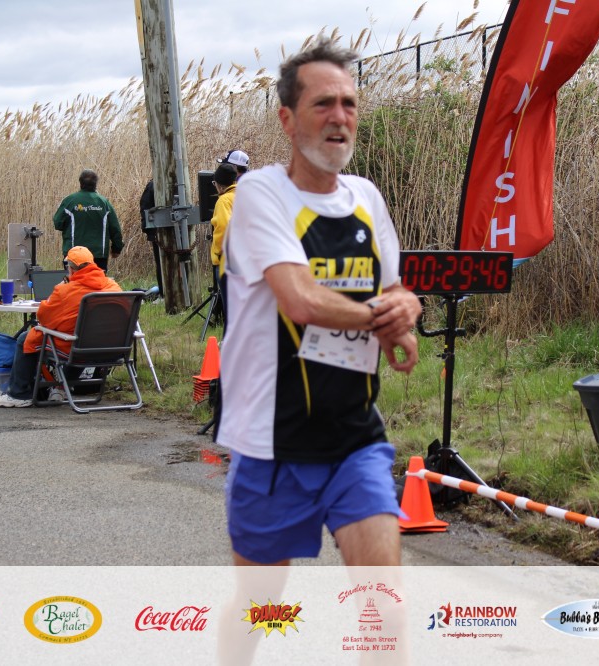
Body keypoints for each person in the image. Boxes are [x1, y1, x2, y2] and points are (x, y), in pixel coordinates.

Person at [215, 37, 422, 570]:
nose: (339, 117)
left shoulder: (366, 196)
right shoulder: (261, 193)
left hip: (355, 437)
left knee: (384, 602)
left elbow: (395, 291)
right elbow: (300, 300)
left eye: (348, 103)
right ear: (287, 119)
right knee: (261, 609)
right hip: (272, 441)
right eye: (322, 103)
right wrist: (380, 320)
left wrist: (406, 312)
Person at [0, 246, 120, 408]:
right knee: (78, 340)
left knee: (26, 338)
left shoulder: (65, 290)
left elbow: (44, 319)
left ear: (70, 269)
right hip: (113, 350)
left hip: (78, 349)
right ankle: (60, 387)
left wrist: (58, 291)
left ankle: (19, 394)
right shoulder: (113, 286)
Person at [53, 169, 124, 272]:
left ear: (80, 182)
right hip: (98, 254)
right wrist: (117, 248)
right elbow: (115, 228)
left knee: (75, 281)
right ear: (96, 183)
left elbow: (57, 223)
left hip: (74, 255)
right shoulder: (104, 203)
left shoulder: (70, 201)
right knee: (97, 281)